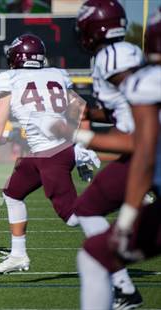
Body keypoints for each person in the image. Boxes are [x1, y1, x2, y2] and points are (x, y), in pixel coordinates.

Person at [77, 9, 161, 309]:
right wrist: (90, 113)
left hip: (141, 152)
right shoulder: (129, 65)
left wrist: (80, 136)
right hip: (144, 155)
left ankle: (123, 288)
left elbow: (139, 142)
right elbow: (123, 110)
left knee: (92, 247)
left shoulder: (120, 62)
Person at [0, 34, 87, 273]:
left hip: (50, 154)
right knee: (12, 193)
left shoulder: (8, 79)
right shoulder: (57, 74)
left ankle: (124, 200)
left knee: (73, 218)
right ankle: (18, 255)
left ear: (15, 57)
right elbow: (82, 108)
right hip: (56, 150)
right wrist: (81, 145)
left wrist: (10, 136)